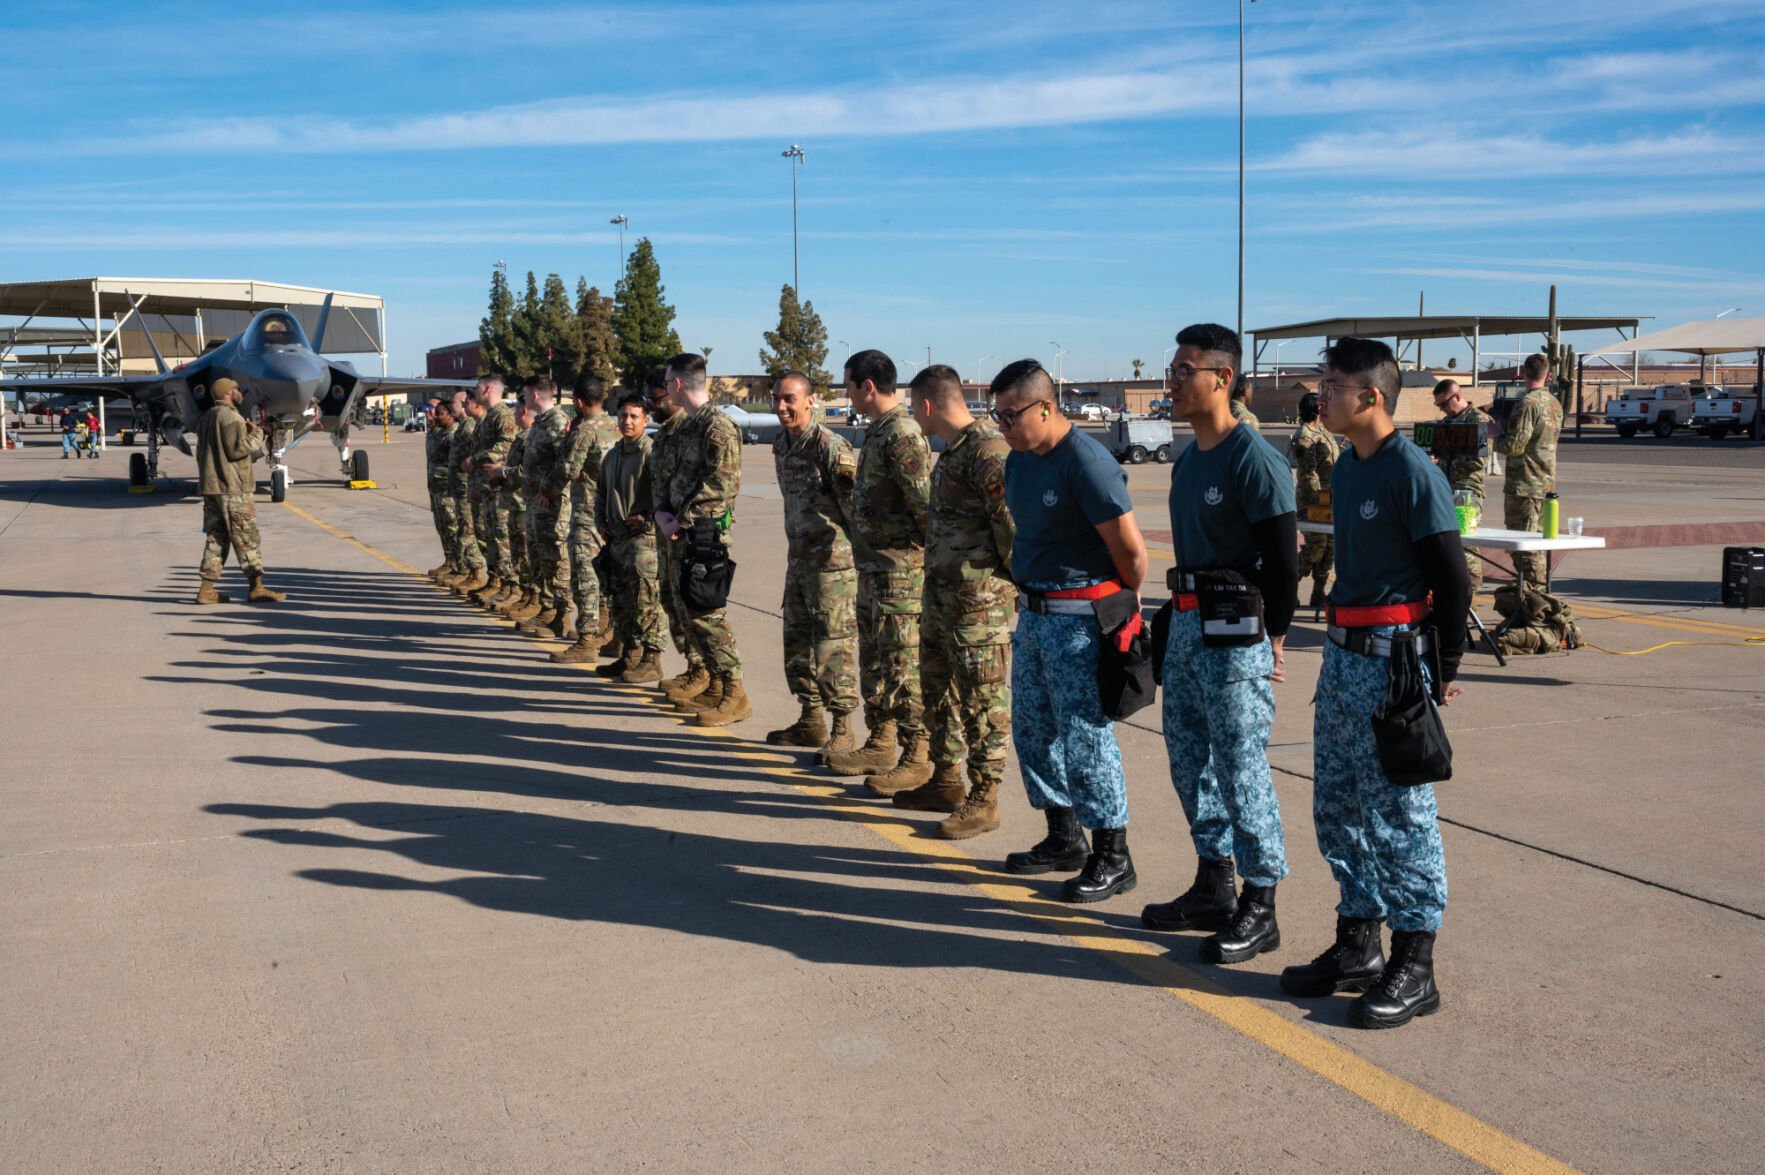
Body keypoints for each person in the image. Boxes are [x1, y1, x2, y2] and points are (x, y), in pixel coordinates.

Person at [1280, 337, 1470, 1029]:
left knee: (1399, 814)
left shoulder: (1409, 469)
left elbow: (1451, 577)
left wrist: (1442, 671)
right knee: (1337, 804)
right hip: (1340, 657)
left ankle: (1414, 963)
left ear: (1369, 396)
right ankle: (1357, 942)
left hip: (1393, 660)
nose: (1319, 395)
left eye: (1331, 384)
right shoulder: (1350, 465)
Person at [1141, 324, 1298, 963]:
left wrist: (1276, 638)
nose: (1172, 381)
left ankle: (1261, 903)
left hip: (1235, 633)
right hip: (1185, 627)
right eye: (1172, 369)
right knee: (1188, 761)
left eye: (1184, 370)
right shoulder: (1189, 461)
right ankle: (1214, 882)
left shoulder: (1253, 458)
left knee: (1240, 766)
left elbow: (1284, 563)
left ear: (1222, 379)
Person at [994, 358, 1148, 903]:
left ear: (1044, 407)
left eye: (1010, 415)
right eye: (997, 417)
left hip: (1081, 623)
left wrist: (1114, 611)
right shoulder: (1021, 462)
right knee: (1033, 732)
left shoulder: (1086, 462)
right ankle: (1064, 837)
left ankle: (1113, 853)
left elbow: (1131, 555)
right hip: (1035, 619)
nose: (1003, 426)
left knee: (1086, 739)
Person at [893, 365, 1015, 840]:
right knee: (938, 696)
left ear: (927, 405)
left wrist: (998, 588)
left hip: (978, 605)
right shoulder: (955, 451)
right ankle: (945, 781)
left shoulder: (988, 450)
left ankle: (984, 798)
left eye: (912, 405)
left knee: (983, 703)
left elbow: (1011, 529)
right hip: (941, 598)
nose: (911, 415)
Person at [824, 349, 933, 794]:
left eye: (848, 385)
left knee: (903, 667)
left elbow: (927, 509)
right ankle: (882, 740)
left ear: (867, 386)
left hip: (900, 577)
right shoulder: (879, 433)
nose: (846, 393)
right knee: (878, 664)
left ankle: (918, 753)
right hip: (874, 572)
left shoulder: (902, 434)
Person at [654, 352, 749, 726]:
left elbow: (722, 486)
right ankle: (712, 681)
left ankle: (734, 691)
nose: (664, 388)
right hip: (680, 532)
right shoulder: (689, 427)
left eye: (666, 382)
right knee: (686, 610)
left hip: (703, 535)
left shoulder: (717, 427)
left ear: (677, 384)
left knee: (708, 613)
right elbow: (674, 479)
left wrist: (681, 518)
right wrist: (663, 512)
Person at [767, 371, 860, 752]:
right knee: (797, 645)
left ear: (811, 400)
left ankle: (842, 729)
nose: (781, 407)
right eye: (776, 399)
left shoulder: (830, 447)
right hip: (799, 563)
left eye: (789, 398)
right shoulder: (781, 444)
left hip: (832, 569)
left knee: (832, 649)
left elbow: (854, 512)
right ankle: (810, 720)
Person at [592, 392, 665, 682]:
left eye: (634, 416)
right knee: (620, 602)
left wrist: (647, 518)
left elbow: (662, 492)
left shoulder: (651, 452)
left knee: (646, 602)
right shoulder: (613, 455)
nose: (627, 421)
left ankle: (651, 660)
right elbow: (600, 493)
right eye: (623, 415)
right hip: (616, 539)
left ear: (646, 420)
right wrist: (601, 521)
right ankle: (629, 656)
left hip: (642, 540)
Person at [193, 377, 284, 604]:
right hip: (233, 488)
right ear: (226, 393)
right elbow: (237, 451)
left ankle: (206, 590)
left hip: (212, 487)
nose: (239, 392)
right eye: (235, 389)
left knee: (216, 538)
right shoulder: (231, 417)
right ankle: (257, 587)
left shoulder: (206, 418)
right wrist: (257, 434)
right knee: (246, 538)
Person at [650, 369, 710, 701]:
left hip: (689, 533)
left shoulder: (696, 429)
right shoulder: (668, 435)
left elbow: (715, 485)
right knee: (672, 601)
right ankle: (694, 667)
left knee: (695, 606)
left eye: (655, 398)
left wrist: (680, 520)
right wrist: (658, 513)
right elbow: (666, 484)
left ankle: (706, 673)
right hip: (666, 528)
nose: (653, 406)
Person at [552, 376, 618, 643]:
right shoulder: (614, 426)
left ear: (578, 402)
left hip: (587, 512)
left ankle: (588, 638)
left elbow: (568, 470)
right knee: (606, 574)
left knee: (585, 575)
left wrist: (546, 489)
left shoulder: (585, 431)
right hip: (612, 512)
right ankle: (608, 629)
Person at [1491, 354, 1562, 590]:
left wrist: (1494, 435)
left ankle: (1534, 598)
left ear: (1523, 373)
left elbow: (1515, 446)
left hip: (1524, 484)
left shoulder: (1527, 403)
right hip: (1545, 483)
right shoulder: (1554, 403)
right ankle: (1536, 593)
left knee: (1524, 547)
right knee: (1536, 544)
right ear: (1548, 375)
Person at [520, 378, 578, 649]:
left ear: (534, 393)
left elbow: (564, 464)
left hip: (552, 505)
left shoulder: (557, 422)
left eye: (524, 393)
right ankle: (547, 610)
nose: (523, 397)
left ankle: (562, 615)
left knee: (556, 560)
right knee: (540, 558)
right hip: (535, 503)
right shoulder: (540, 422)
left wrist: (550, 491)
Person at [1429, 379, 1490, 591]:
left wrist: (1449, 456)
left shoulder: (1479, 420)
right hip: (1445, 488)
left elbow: (1480, 459)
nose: (1442, 409)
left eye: (1444, 404)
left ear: (1457, 396)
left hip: (1467, 490)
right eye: (1438, 406)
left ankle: (1471, 589)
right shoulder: (1446, 423)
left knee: (1465, 542)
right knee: (1449, 542)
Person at [465, 375, 517, 604]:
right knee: (491, 538)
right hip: (486, 488)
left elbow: (505, 447)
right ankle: (497, 581)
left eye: (477, 387)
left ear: (487, 389)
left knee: (503, 539)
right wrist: (475, 484)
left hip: (499, 489)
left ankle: (512, 587)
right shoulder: (487, 418)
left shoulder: (503, 415)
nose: (474, 391)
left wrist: (474, 459)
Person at [1291, 391, 1339, 609]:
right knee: (1315, 546)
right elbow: (1308, 474)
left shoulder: (1322, 431)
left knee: (1330, 547)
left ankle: (1318, 593)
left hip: (1328, 501)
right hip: (1314, 501)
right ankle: (1288, 586)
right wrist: (1317, 502)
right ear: (1317, 408)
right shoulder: (1304, 435)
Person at [440, 389, 489, 594]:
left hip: (467, 485)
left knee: (468, 529)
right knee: (464, 528)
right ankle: (469, 571)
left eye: (456, 402)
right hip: (460, 485)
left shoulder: (470, 426)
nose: (452, 406)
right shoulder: (464, 426)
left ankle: (476, 572)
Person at [424, 397, 461, 580]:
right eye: (430, 409)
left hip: (447, 489)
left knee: (453, 527)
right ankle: (449, 561)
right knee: (442, 526)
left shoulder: (453, 434)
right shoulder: (435, 432)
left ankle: (460, 566)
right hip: (436, 488)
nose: (431, 413)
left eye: (436, 410)